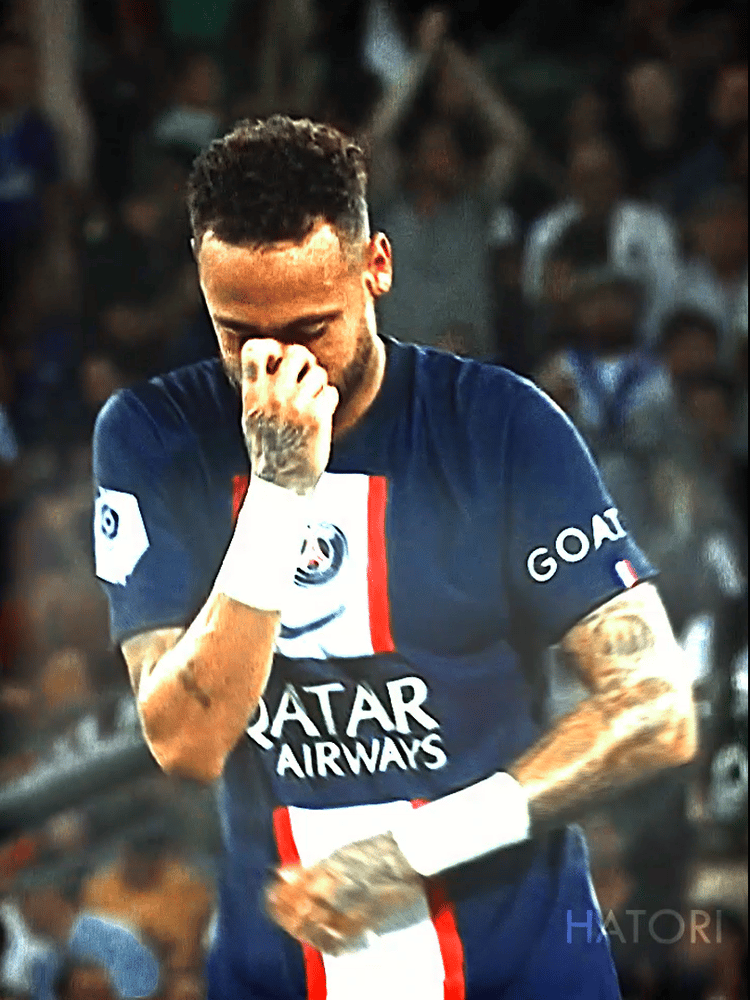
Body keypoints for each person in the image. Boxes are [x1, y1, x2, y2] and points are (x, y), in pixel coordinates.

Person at [92, 116, 697, 1000]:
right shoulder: (153, 436)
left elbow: (655, 709)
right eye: (239, 334)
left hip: (517, 972)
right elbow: (186, 742)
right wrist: (280, 493)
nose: (280, 368)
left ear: (376, 265)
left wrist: (419, 848)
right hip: (283, 975)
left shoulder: (502, 425)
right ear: (202, 282)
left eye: (312, 328)